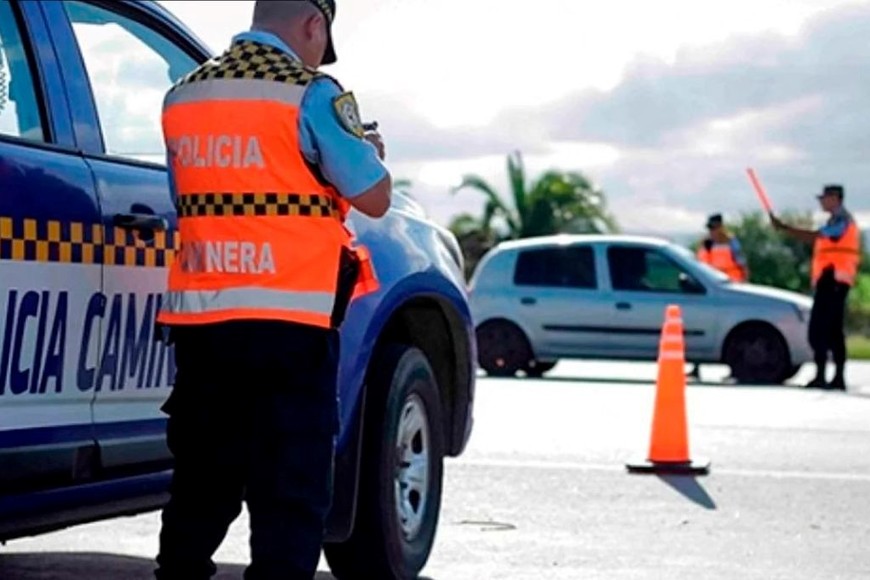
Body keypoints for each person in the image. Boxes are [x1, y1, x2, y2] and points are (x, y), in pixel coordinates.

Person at [153, 1, 392, 579]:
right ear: (315, 25)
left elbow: (185, 192)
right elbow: (374, 197)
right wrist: (370, 150)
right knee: (290, 490)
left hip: (203, 325)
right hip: (291, 326)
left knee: (202, 480)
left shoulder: (182, 95)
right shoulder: (310, 92)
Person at [770, 184, 861, 391]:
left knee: (822, 330)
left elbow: (816, 237)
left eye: (824, 197)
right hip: (831, 280)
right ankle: (832, 376)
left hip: (834, 280)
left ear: (836, 198)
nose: (821, 201)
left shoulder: (842, 221)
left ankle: (828, 376)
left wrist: (785, 228)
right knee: (830, 330)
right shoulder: (837, 221)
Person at [690, 213, 749, 380]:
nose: (712, 231)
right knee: (701, 327)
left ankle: (735, 368)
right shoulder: (706, 245)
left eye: (714, 228)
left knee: (732, 330)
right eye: (710, 228)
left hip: (731, 291)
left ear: (721, 227)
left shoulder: (732, 243)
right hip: (709, 292)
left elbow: (742, 265)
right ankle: (696, 366)